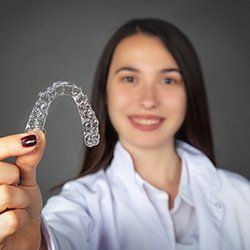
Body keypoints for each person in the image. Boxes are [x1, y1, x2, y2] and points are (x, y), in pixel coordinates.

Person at [0, 18, 249, 250]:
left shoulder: (241, 197)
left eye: (168, 80)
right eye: (130, 78)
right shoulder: (80, 204)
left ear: (190, 93)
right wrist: (35, 243)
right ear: (105, 92)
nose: (148, 101)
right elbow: (59, 236)